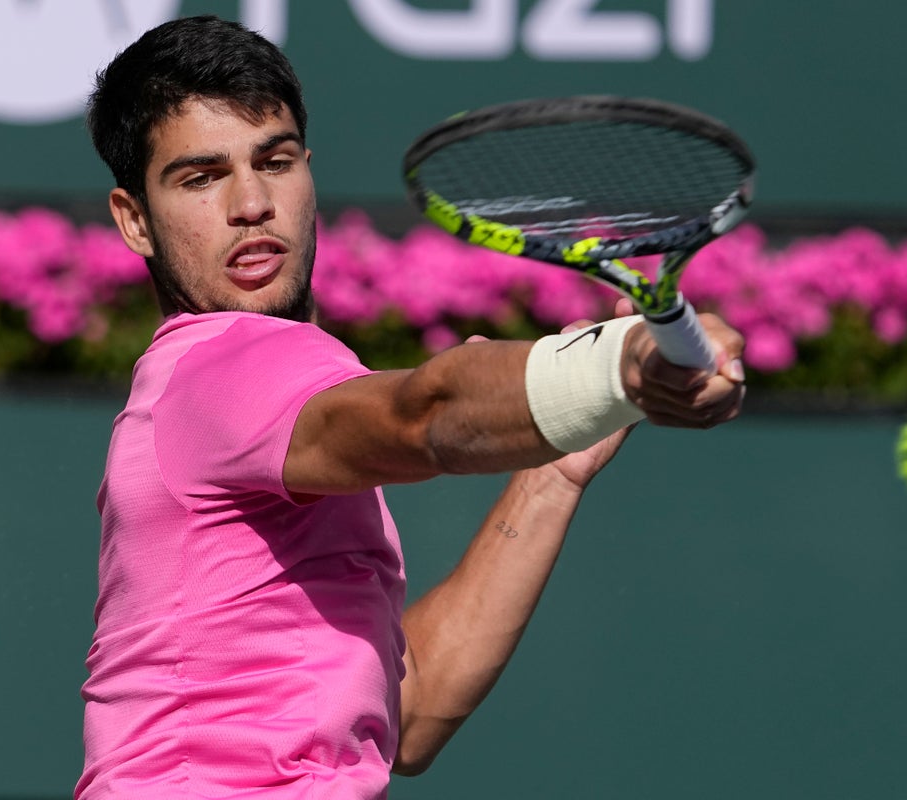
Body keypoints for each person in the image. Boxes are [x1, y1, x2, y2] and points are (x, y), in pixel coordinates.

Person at [76, 14, 746, 800]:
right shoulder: (223, 365)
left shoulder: (231, 407)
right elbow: (422, 413)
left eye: (276, 161)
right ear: (134, 220)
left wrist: (554, 470)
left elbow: (411, 709)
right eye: (201, 178)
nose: (252, 202)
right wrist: (616, 368)